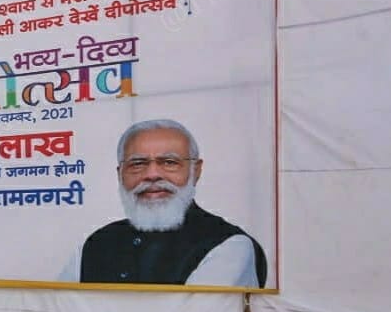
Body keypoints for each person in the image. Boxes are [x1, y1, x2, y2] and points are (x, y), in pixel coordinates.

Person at [59, 119, 268, 288]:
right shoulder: (97, 243)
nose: (152, 175)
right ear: (120, 174)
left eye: (169, 163)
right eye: (137, 164)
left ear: (196, 170)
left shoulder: (229, 246)